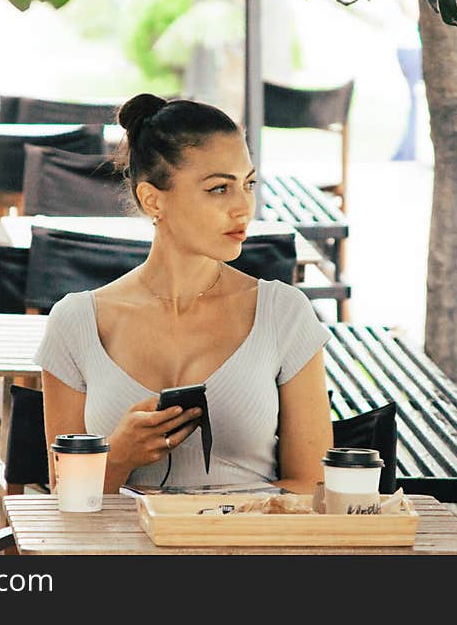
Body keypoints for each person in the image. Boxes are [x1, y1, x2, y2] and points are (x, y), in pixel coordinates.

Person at [35, 93, 333, 494]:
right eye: (218, 189)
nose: (243, 208)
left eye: (248, 185)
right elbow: (65, 495)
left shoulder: (284, 313)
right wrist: (119, 456)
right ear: (152, 199)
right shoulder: (77, 323)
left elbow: (312, 486)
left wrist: (207, 526)